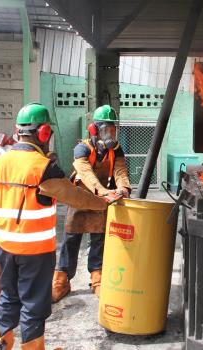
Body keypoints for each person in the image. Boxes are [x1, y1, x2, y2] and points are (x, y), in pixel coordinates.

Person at [0, 103, 108, 350]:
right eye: (48, 134)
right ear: (43, 133)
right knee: (34, 304)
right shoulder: (43, 168)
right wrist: (103, 203)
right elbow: (75, 197)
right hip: (33, 250)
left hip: (1, 245)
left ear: (17, 131)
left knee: (9, 297)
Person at [52, 104, 131, 302]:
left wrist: (123, 188)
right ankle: (61, 281)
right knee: (71, 240)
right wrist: (103, 191)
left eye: (113, 129)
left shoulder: (116, 150)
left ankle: (97, 278)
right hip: (80, 199)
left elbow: (120, 171)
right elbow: (85, 173)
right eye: (106, 130)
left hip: (99, 201)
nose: (110, 135)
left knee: (98, 239)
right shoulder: (82, 148)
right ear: (94, 130)